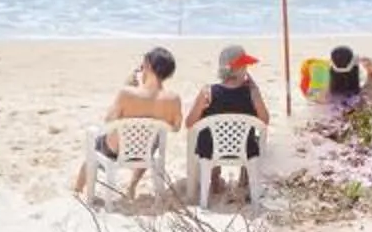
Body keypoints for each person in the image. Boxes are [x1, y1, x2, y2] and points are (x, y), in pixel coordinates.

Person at [72, 46, 184, 199]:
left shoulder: (127, 93)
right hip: (145, 152)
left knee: (95, 146)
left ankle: (78, 190)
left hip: (115, 150)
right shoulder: (174, 99)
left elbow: (109, 120)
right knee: (151, 141)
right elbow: (176, 127)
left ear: (148, 65)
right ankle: (132, 186)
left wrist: (134, 86)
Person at [186, 45, 272, 198]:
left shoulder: (208, 92)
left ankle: (214, 179)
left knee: (209, 133)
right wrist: (255, 90)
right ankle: (245, 178)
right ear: (239, 68)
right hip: (244, 148)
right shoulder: (252, 93)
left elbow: (189, 123)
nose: (247, 68)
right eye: (245, 65)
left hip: (212, 149)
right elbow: (264, 121)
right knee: (251, 137)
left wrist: (201, 108)